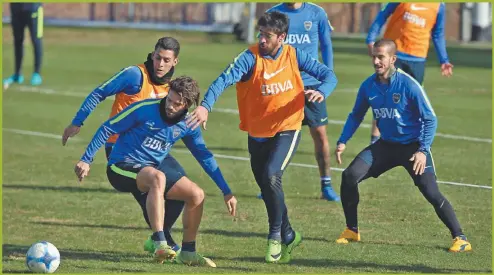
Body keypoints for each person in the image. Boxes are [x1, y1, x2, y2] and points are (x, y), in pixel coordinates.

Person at [186, 11, 338, 263]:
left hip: (288, 128)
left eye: (267, 35)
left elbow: (329, 76)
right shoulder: (249, 58)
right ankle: (289, 233)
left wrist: (322, 91)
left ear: (282, 37)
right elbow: (223, 80)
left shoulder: (294, 54)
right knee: (267, 187)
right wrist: (205, 106)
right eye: (260, 34)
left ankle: (275, 236)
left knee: (271, 175)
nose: (262, 39)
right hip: (257, 134)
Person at [74, 76, 237, 266]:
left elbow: (204, 156)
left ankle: (188, 252)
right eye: (169, 100)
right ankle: (160, 243)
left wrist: (226, 191)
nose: (170, 106)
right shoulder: (144, 109)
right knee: (158, 178)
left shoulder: (188, 123)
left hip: (150, 169)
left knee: (196, 195)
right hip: (120, 166)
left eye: (177, 104)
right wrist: (86, 159)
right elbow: (107, 128)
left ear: (187, 106)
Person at [333, 39, 472, 253]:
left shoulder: (408, 84)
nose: (376, 61)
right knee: (349, 176)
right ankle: (352, 229)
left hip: (413, 148)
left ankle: (461, 238)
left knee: (431, 192)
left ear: (392, 59)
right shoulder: (368, 85)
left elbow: (430, 119)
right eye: (374, 56)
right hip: (386, 146)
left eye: (381, 57)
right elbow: (356, 115)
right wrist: (343, 140)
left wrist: (423, 151)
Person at [62, 37, 186, 253]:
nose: (160, 64)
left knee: (181, 190)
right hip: (121, 150)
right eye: (157, 58)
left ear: (175, 62)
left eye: (166, 60)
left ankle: (160, 239)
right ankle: (163, 242)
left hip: (150, 151)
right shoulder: (135, 75)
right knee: (152, 191)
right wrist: (77, 122)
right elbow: (99, 93)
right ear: (153, 54)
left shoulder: (171, 89)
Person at [258, 2, 339, 201]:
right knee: (274, 135)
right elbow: (264, 48)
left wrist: (326, 76)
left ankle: (326, 185)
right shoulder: (273, 13)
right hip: (282, 85)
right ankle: (269, 183)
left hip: (311, 85)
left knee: (320, 135)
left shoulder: (317, 12)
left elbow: (326, 44)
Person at [366, 2, 454, 145]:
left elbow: (438, 33)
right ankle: (375, 142)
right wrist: (370, 38)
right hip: (395, 53)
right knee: (384, 97)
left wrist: (444, 59)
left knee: (414, 101)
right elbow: (383, 15)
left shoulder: (439, 5)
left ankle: (413, 142)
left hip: (418, 58)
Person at [4, 3, 44, 89]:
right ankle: (17, 74)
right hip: (16, 7)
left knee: (36, 39)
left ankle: (36, 73)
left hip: (33, 7)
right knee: (17, 40)